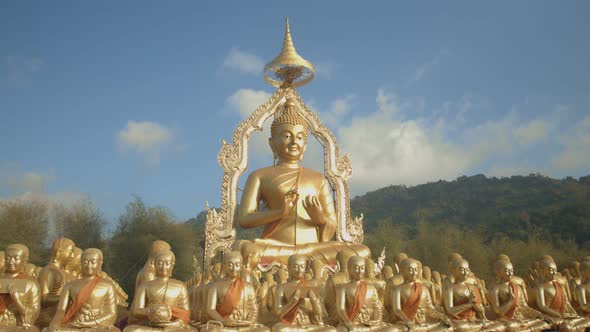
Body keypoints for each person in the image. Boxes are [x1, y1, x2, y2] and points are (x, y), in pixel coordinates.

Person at [234, 98, 370, 265]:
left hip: (312, 249)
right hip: (276, 246)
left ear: (305, 145)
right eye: (286, 136)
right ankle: (297, 261)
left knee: (359, 252)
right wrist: (279, 212)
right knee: (243, 248)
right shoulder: (259, 176)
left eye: (299, 137)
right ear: (272, 144)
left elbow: (331, 224)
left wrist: (320, 219)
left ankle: (299, 261)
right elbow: (245, 219)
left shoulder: (319, 179)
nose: (294, 142)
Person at [46, 248, 119, 332]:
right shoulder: (70, 286)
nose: (89, 265)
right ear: (80, 263)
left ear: (100, 263)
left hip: (97, 326)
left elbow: (111, 314)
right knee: (50, 330)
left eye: (93, 262)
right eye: (85, 262)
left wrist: (88, 324)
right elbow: (61, 310)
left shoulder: (108, 285)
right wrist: (55, 323)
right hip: (74, 324)